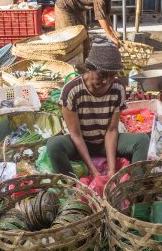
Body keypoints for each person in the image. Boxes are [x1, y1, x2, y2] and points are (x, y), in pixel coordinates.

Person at [46, 41, 149, 178]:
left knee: (142, 140)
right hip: (80, 144)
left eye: (112, 76)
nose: (107, 81)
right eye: (102, 75)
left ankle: (135, 189)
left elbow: (112, 130)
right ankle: (71, 186)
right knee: (54, 145)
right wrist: (93, 170)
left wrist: (112, 169)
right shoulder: (72, 91)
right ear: (89, 68)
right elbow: (76, 135)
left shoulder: (118, 89)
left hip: (105, 143)